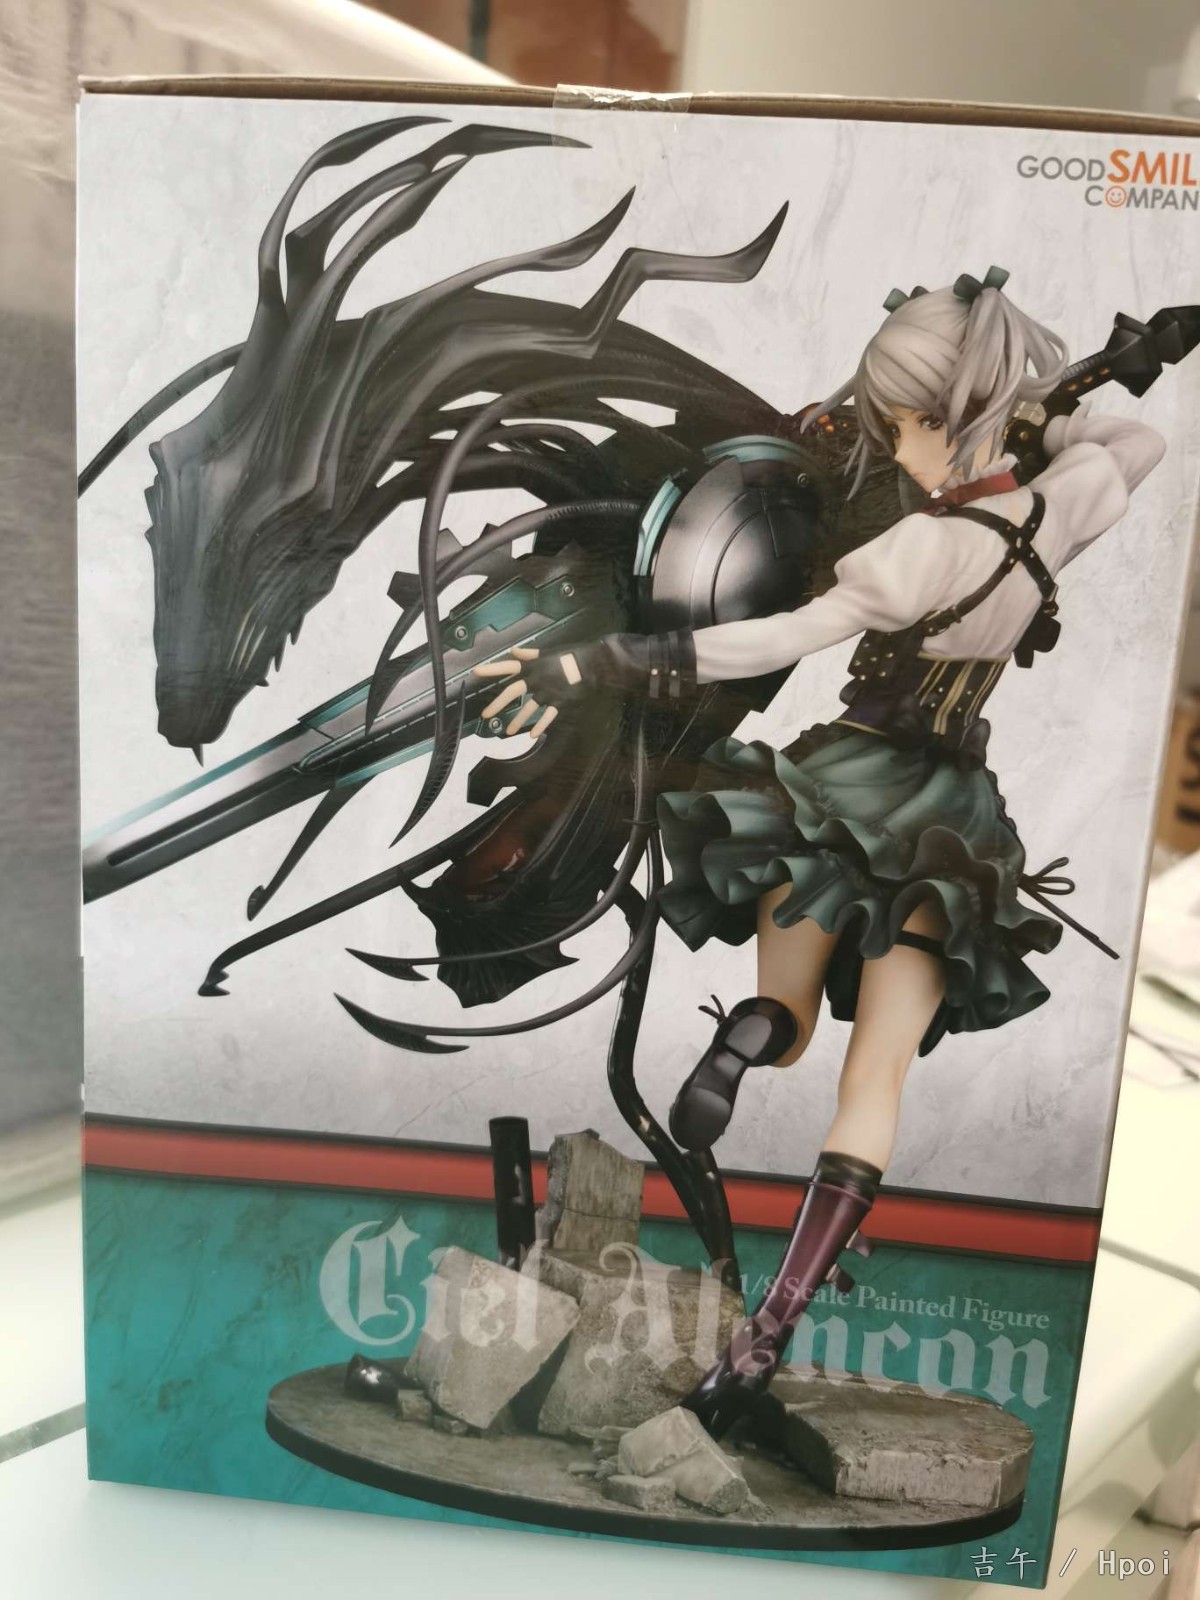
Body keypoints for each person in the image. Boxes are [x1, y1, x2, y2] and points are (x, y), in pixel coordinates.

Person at [474, 267, 1165, 1435]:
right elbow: (1130, 440)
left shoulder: (915, 555)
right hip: (955, 825)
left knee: (789, 1013)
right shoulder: (1071, 507)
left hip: (841, 790)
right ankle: (767, 1336)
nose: (893, 447)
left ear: (934, 417)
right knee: (876, 1075)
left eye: (898, 424)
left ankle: (749, 1037)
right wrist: (1055, 403)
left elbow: (773, 635)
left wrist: (607, 661)